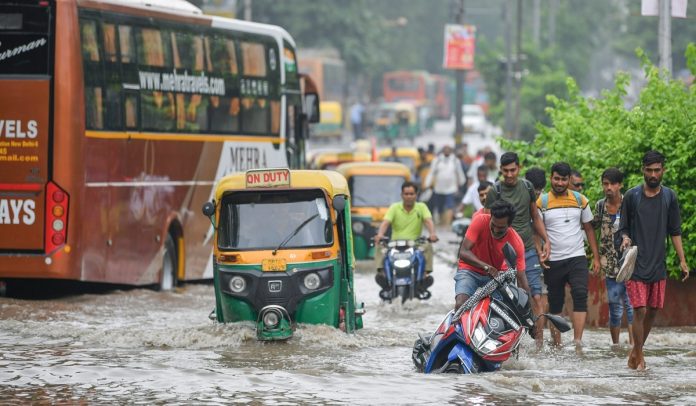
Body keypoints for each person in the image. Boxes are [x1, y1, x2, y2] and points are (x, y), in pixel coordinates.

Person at [618, 151, 689, 370]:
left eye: (657, 170)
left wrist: (682, 260)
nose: (653, 174)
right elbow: (623, 228)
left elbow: (675, 231)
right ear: (643, 171)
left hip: (658, 263)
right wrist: (625, 238)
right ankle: (639, 356)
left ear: (663, 170)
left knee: (653, 310)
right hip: (637, 262)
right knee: (639, 310)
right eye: (649, 170)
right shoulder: (632, 196)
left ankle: (635, 352)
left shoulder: (670, 197)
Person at [484, 152, 551, 348]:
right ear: (501, 171)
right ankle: (504, 343)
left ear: (519, 168)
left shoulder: (528, 187)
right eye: (505, 171)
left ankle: (539, 344)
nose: (510, 174)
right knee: (500, 299)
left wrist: (545, 240)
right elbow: (488, 223)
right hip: (501, 253)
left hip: (527, 250)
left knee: (534, 296)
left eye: (513, 170)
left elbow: (535, 216)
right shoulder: (495, 191)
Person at [537, 162, 600, 347]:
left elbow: (589, 230)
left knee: (580, 294)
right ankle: (557, 343)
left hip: (577, 257)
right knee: (556, 302)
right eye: (556, 178)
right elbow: (537, 231)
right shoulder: (542, 203)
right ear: (551, 178)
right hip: (552, 259)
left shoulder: (581, 200)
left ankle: (577, 341)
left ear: (569, 180)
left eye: (564, 179)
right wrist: (540, 251)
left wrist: (596, 257)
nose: (559, 182)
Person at [455, 199, 530, 310]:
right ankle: (455, 325)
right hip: (469, 271)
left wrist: (530, 313)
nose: (495, 230)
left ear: (509, 225)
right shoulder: (479, 221)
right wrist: (486, 267)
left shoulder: (516, 242)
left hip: (494, 278)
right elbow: (463, 252)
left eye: (501, 228)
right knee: (461, 303)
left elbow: (521, 278)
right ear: (490, 217)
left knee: (501, 310)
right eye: (493, 224)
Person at [591, 168, 634, 346]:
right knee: (615, 309)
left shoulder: (629, 204)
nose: (608, 187)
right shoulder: (600, 206)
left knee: (632, 307)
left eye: (612, 184)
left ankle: (634, 346)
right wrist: (595, 257)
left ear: (620, 185)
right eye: (605, 184)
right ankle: (615, 347)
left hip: (630, 263)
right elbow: (591, 228)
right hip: (609, 265)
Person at [374, 181, 438, 297]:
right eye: (406, 194)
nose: (409, 196)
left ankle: (425, 274)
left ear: (416, 195)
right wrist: (380, 235)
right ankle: (382, 273)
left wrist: (432, 234)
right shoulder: (394, 207)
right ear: (401, 195)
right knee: (379, 246)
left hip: (415, 244)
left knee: (428, 246)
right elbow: (385, 222)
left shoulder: (421, 207)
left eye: (411, 194)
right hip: (395, 244)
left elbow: (428, 221)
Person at [424, 145, 466, 226]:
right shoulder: (437, 160)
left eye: (448, 150)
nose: (447, 151)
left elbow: (459, 172)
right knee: (440, 208)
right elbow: (431, 172)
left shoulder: (455, 160)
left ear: (450, 151)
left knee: (449, 207)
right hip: (439, 189)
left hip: (451, 189)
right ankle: (441, 222)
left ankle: (447, 224)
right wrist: (427, 184)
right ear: (443, 151)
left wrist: (461, 182)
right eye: (445, 150)